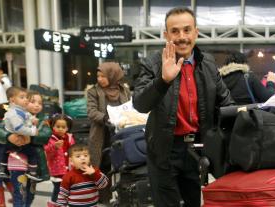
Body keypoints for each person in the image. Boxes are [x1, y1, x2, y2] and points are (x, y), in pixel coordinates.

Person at [133, 7, 234, 206]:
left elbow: (226, 104)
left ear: (196, 32)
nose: (182, 37)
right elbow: (140, 104)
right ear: (166, 35)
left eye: (187, 30)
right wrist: (163, 80)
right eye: (175, 31)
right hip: (164, 151)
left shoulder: (209, 64)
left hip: (198, 149)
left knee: (194, 202)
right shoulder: (153, 63)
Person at [0, 90, 52, 207]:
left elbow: (46, 135)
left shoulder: (43, 121)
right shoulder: (13, 114)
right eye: (32, 101)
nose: (36, 105)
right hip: (17, 159)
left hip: (35, 164)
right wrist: (8, 136)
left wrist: (30, 138)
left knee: (31, 192)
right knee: (19, 191)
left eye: (40, 103)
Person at [87, 62, 130, 204]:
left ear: (113, 75)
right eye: (98, 76)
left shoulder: (124, 90)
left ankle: (123, 197)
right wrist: (105, 118)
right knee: (103, 166)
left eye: (103, 76)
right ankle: (104, 199)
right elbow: (91, 112)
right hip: (102, 134)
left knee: (123, 165)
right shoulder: (93, 91)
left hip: (121, 132)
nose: (100, 79)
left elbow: (129, 108)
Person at [0, 86, 41, 181]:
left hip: (19, 142)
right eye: (22, 97)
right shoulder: (14, 113)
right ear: (12, 100)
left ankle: (3, 168)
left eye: (26, 97)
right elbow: (18, 128)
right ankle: (32, 172)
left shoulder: (21, 111)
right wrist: (32, 132)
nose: (25, 100)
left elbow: (27, 118)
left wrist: (32, 120)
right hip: (17, 144)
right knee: (32, 153)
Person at [44, 114, 75, 207]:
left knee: (67, 189)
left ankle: (63, 204)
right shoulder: (50, 139)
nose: (60, 129)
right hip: (57, 170)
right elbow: (47, 152)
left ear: (67, 128)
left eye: (63, 127)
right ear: (53, 126)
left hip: (69, 170)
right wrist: (54, 147)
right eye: (58, 126)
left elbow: (73, 150)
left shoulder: (69, 138)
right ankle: (54, 204)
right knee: (58, 189)